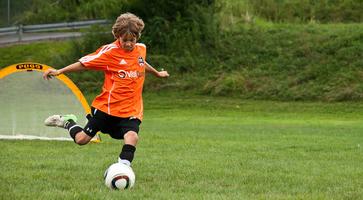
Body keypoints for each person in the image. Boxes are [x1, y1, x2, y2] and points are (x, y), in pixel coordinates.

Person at [43, 12, 169, 167]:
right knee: (81, 140)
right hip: (107, 108)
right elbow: (84, 64)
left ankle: (123, 171)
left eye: (133, 40)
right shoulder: (109, 52)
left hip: (131, 109)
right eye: (125, 40)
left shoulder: (141, 49)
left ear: (138, 37)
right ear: (117, 36)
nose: (129, 44)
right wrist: (60, 71)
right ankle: (67, 122)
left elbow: (141, 62)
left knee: (132, 137)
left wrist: (157, 73)